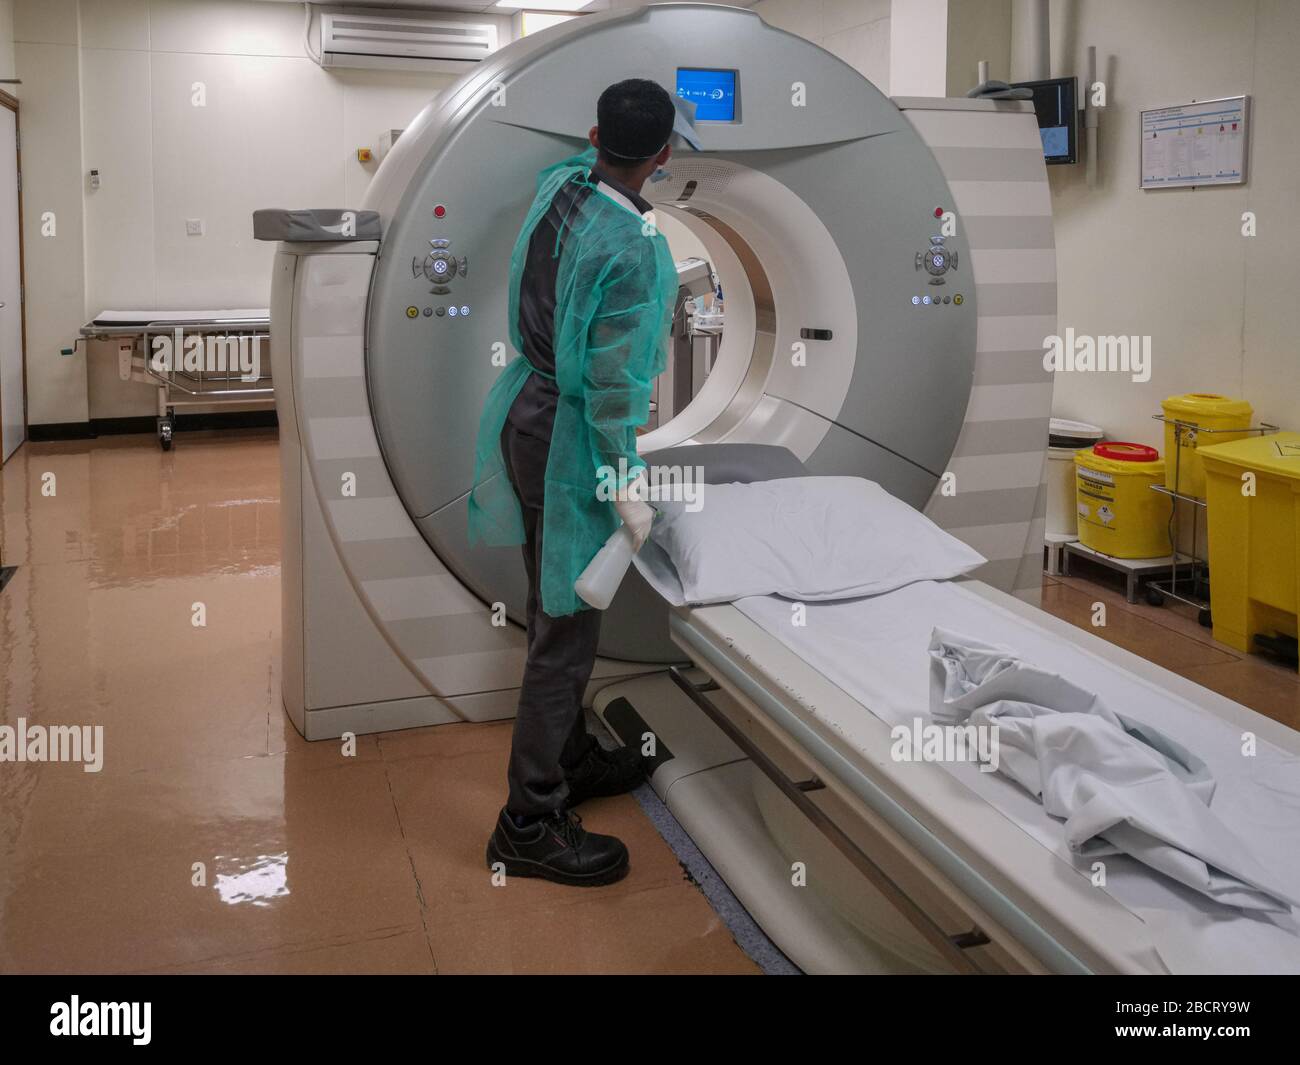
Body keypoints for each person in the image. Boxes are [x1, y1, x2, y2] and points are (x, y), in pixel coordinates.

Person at [468, 79, 680, 886]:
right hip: (569, 440)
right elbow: (615, 384)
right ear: (664, 155)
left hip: (527, 411)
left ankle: (569, 754)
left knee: (550, 607)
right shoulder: (636, 250)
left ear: (593, 134)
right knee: (566, 628)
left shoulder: (561, 186)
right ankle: (527, 819)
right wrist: (624, 478)